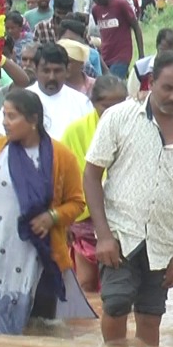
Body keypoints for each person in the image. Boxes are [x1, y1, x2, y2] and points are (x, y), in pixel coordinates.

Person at [85, 51, 173, 347]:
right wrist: (104, 236)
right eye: (167, 87)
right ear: (152, 82)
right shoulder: (119, 118)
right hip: (121, 234)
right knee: (116, 303)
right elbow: (91, 176)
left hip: (165, 242)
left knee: (150, 315)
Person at [0, 89, 97, 334]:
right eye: (4, 116)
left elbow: (77, 202)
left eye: (11, 117)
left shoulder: (62, 157)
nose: (5, 123)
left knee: (39, 327)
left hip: (39, 253)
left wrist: (52, 217)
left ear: (33, 120)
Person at [61, 75, 128, 293]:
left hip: (124, 217)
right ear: (93, 103)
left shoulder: (137, 128)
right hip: (84, 216)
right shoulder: (75, 131)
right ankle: (87, 326)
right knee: (86, 282)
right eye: (106, 106)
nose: (113, 112)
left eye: (120, 105)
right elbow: (63, 176)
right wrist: (65, 220)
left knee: (122, 284)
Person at [0, 44, 92, 140]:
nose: (52, 77)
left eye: (57, 71)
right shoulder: (18, 101)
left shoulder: (82, 103)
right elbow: (1, 139)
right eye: (46, 71)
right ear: (36, 70)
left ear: (66, 71)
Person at [88, 0, 143, 79]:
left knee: (112, 85)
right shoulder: (95, 10)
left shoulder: (120, 4)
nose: (97, 1)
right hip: (105, 56)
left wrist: (141, 55)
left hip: (121, 55)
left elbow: (136, 26)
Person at [130, 27, 173, 98]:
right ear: (157, 46)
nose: (167, 55)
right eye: (163, 50)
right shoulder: (141, 68)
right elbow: (131, 95)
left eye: (171, 52)